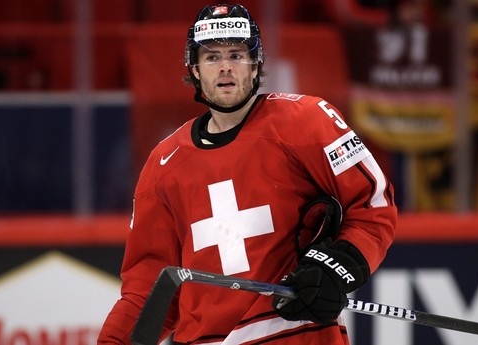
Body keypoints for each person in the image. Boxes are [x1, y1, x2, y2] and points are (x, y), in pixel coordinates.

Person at [98, 3, 396, 345]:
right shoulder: (162, 164)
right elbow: (149, 289)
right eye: (211, 57)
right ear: (194, 68)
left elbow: (373, 207)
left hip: (293, 334)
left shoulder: (307, 121)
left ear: (256, 64)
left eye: (237, 54)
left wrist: (335, 268)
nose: (225, 67)